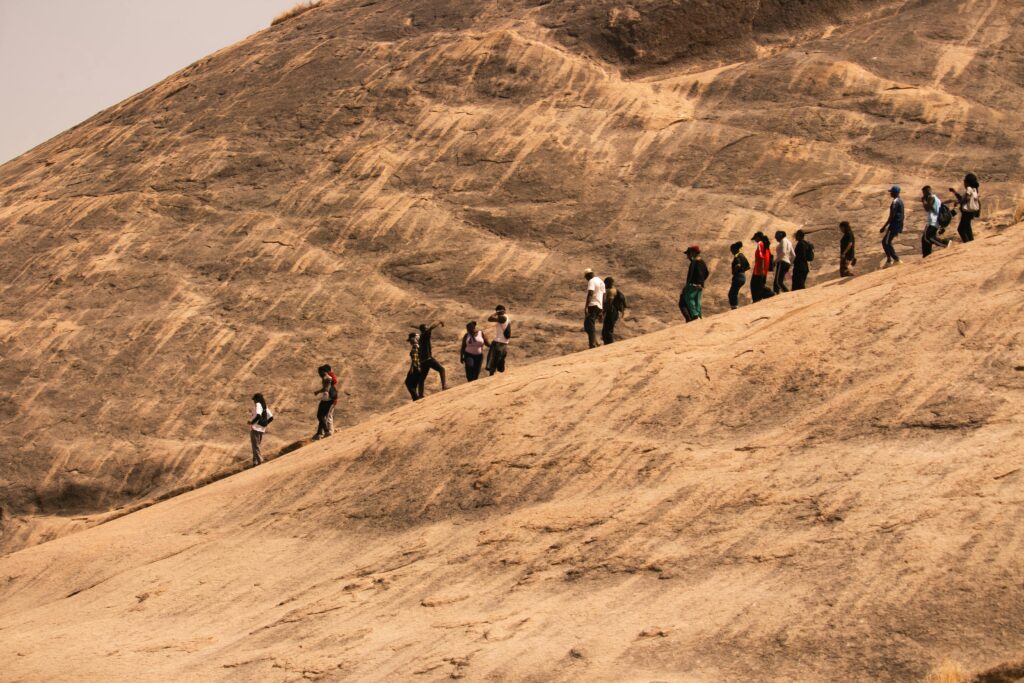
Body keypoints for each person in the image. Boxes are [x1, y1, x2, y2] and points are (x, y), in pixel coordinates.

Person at [413, 322, 447, 392]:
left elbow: (422, 328)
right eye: (426, 327)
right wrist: (439, 322)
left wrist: (416, 327)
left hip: (422, 361)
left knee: (421, 379)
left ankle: (420, 395)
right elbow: (431, 327)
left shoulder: (421, 337)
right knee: (442, 369)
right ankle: (444, 386)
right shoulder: (426, 334)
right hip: (428, 359)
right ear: (425, 329)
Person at [680, 245, 709, 321]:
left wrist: (696, 283)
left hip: (694, 285)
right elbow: (706, 273)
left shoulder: (695, 262)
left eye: (688, 254)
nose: (688, 256)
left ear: (693, 253)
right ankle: (698, 315)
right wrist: (701, 282)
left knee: (688, 298)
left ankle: (695, 315)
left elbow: (696, 273)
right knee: (697, 301)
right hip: (699, 285)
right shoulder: (702, 262)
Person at [950, 173, 980, 243]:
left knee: (961, 229)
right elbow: (963, 198)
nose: (964, 183)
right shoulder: (974, 189)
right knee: (967, 228)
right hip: (970, 213)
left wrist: (958, 202)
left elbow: (965, 199)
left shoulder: (969, 189)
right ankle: (971, 242)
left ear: (967, 182)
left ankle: (967, 244)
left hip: (967, 213)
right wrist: (954, 192)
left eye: (964, 182)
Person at [921, 185, 949, 257]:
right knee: (925, 239)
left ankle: (945, 243)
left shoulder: (931, 197)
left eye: (924, 193)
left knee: (929, 237)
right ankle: (927, 255)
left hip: (932, 222)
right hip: (934, 222)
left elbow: (927, 208)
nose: (924, 195)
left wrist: (923, 201)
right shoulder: (937, 199)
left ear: (927, 191)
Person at [879, 185, 904, 265]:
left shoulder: (895, 202)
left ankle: (895, 259)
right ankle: (890, 260)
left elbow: (891, 216)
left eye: (891, 192)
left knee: (886, 242)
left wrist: (884, 226)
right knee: (887, 241)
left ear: (894, 193)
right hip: (897, 224)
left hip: (894, 225)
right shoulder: (900, 201)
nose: (890, 194)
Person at [312, 364, 336, 440]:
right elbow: (326, 387)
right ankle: (320, 433)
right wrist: (319, 392)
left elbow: (327, 387)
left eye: (320, 372)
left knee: (321, 416)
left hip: (328, 399)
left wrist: (322, 391)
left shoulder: (327, 378)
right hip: (326, 398)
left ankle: (327, 431)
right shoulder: (325, 377)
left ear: (324, 371)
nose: (319, 374)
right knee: (321, 416)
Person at [583, 268, 605, 349]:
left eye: (586, 277)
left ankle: (593, 344)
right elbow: (604, 296)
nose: (586, 279)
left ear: (587, 276)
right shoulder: (601, 281)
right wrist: (601, 309)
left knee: (589, 325)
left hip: (593, 305)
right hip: (599, 305)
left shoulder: (591, 281)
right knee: (589, 325)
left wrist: (586, 306)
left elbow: (590, 293)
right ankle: (596, 341)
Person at [486, 305, 511, 376]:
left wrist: (496, 313)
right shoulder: (507, 317)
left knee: (492, 363)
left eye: (498, 311)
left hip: (498, 343)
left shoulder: (502, 317)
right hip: (504, 344)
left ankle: (491, 378)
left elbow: (490, 319)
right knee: (500, 361)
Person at [248, 393, 272, 466]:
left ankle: (260, 461)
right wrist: (264, 423)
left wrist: (252, 422)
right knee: (256, 446)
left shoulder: (258, 404)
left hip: (255, 428)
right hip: (261, 429)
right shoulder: (265, 407)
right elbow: (271, 418)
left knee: (255, 446)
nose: (254, 401)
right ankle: (255, 462)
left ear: (257, 399)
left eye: (254, 399)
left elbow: (258, 415)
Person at [601, 277, 627, 344]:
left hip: (611, 312)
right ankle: (608, 343)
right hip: (614, 312)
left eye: (605, 283)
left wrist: (603, 312)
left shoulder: (611, 291)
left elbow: (609, 302)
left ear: (607, 283)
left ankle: (609, 344)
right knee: (607, 329)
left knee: (607, 330)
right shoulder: (615, 289)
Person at [750, 232, 774, 302]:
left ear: (758, 237)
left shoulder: (760, 243)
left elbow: (761, 256)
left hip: (759, 270)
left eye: (755, 239)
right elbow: (770, 257)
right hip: (764, 270)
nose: (755, 240)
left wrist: (762, 269)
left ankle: (757, 299)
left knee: (754, 285)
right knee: (760, 285)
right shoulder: (766, 245)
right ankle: (767, 294)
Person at [728, 241, 750, 309]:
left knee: (731, 294)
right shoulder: (742, 255)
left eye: (732, 250)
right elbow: (748, 266)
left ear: (735, 249)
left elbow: (738, 264)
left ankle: (734, 308)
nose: (731, 252)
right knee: (734, 292)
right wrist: (742, 271)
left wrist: (735, 272)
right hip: (743, 276)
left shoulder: (737, 256)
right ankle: (735, 306)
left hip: (738, 276)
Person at [404, 333, 423, 401]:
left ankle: (416, 398)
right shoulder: (420, 345)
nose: (410, 342)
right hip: (420, 367)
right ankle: (416, 397)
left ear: (414, 338)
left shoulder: (415, 346)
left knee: (408, 382)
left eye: (410, 340)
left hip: (416, 367)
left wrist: (413, 368)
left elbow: (415, 359)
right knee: (413, 383)